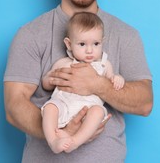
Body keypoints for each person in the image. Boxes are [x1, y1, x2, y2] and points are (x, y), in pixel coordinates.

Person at [4, 0, 153, 163]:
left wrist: (97, 84)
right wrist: (60, 130)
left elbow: (144, 102)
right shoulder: (30, 34)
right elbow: (14, 106)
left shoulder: (126, 34)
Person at [41, 11, 125, 154]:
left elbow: (111, 79)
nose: (89, 50)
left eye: (96, 44)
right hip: (64, 105)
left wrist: (118, 79)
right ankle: (53, 141)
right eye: (82, 44)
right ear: (69, 44)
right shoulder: (63, 63)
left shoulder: (104, 65)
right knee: (50, 107)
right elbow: (46, 84)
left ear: (102, 42)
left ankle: (75, 141)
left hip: (88, 108)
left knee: (98, 112)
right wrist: (49, 79)